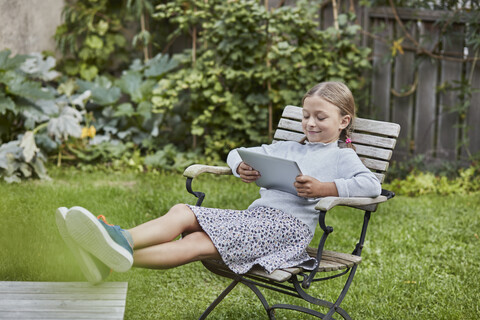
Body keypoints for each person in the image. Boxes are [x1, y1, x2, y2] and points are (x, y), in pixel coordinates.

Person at [56, 81, 381, 284]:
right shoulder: (287, 148)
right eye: (306, 115)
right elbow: (235, 153)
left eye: (320, 117)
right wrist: (241, 167)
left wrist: (325, 189)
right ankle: (117, 239)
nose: (310, 123)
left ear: (343, 121)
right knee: (183, 211)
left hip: (288, 231)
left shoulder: (341, 157)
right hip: (256, 219)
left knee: (198, 244)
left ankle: (107, 258)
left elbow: (371, 187)